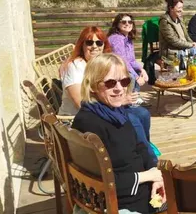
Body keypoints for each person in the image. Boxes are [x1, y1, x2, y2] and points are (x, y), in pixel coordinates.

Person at [72, 54, 164, 214]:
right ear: (92, 86)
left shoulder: (114, 112)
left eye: (125, 81)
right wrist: (148, 177)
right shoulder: (89, 123)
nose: (119, 88)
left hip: (143, 187)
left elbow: (140, 146)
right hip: (126, 202)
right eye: (110, 83)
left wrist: (155, 175)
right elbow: (100, 181)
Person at [59, 27, 157, 162]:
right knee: (133, 121)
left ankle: (142, 148)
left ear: (104, 45)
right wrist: (121, 101)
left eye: (99, 43)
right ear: (82, 44)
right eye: (89, 42)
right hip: (77, 117)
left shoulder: (99, 64)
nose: (94, 46)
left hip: (104, 108)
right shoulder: (75, 67)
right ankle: (148, 159)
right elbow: (80, 102)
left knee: (143, 114)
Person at [159, 0, 196, 96]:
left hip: (183, 49)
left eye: (182, 8)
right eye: (179, 8)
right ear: (171, 8)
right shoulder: (165, 21)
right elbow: (174, 41)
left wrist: (193, 43)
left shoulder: (179, 19)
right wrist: (191, 45)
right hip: (172, 52)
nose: (181, 10)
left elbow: (186, 36)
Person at [107, 13, 149, 92]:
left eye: (130, 22)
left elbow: (131, 60)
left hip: (121, 66)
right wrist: (137, 77)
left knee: (137, 71)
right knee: (131, 76)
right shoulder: (116, 39)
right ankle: (131, 100)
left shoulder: (128, 39)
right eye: (123, 22)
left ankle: (134, 97)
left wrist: (142, 70)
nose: (127, 24)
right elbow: (122, 61)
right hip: (113, 67)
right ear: (117, 24)